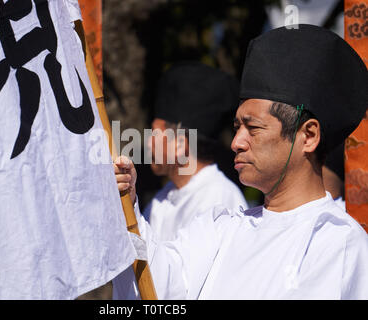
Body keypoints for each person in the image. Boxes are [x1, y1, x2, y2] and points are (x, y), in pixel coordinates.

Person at [113, 24, 368, 299]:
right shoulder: (222, 228)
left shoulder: (336, 242)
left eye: (253, 128)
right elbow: (161, 287)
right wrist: (126, 204)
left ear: (307, 136)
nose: (236, 143)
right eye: (237, 127)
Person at [142, 61, 248, 242]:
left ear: (179, 144)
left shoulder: (219, 200)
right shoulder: (161, 200)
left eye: (155, 133)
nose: (148, 143)